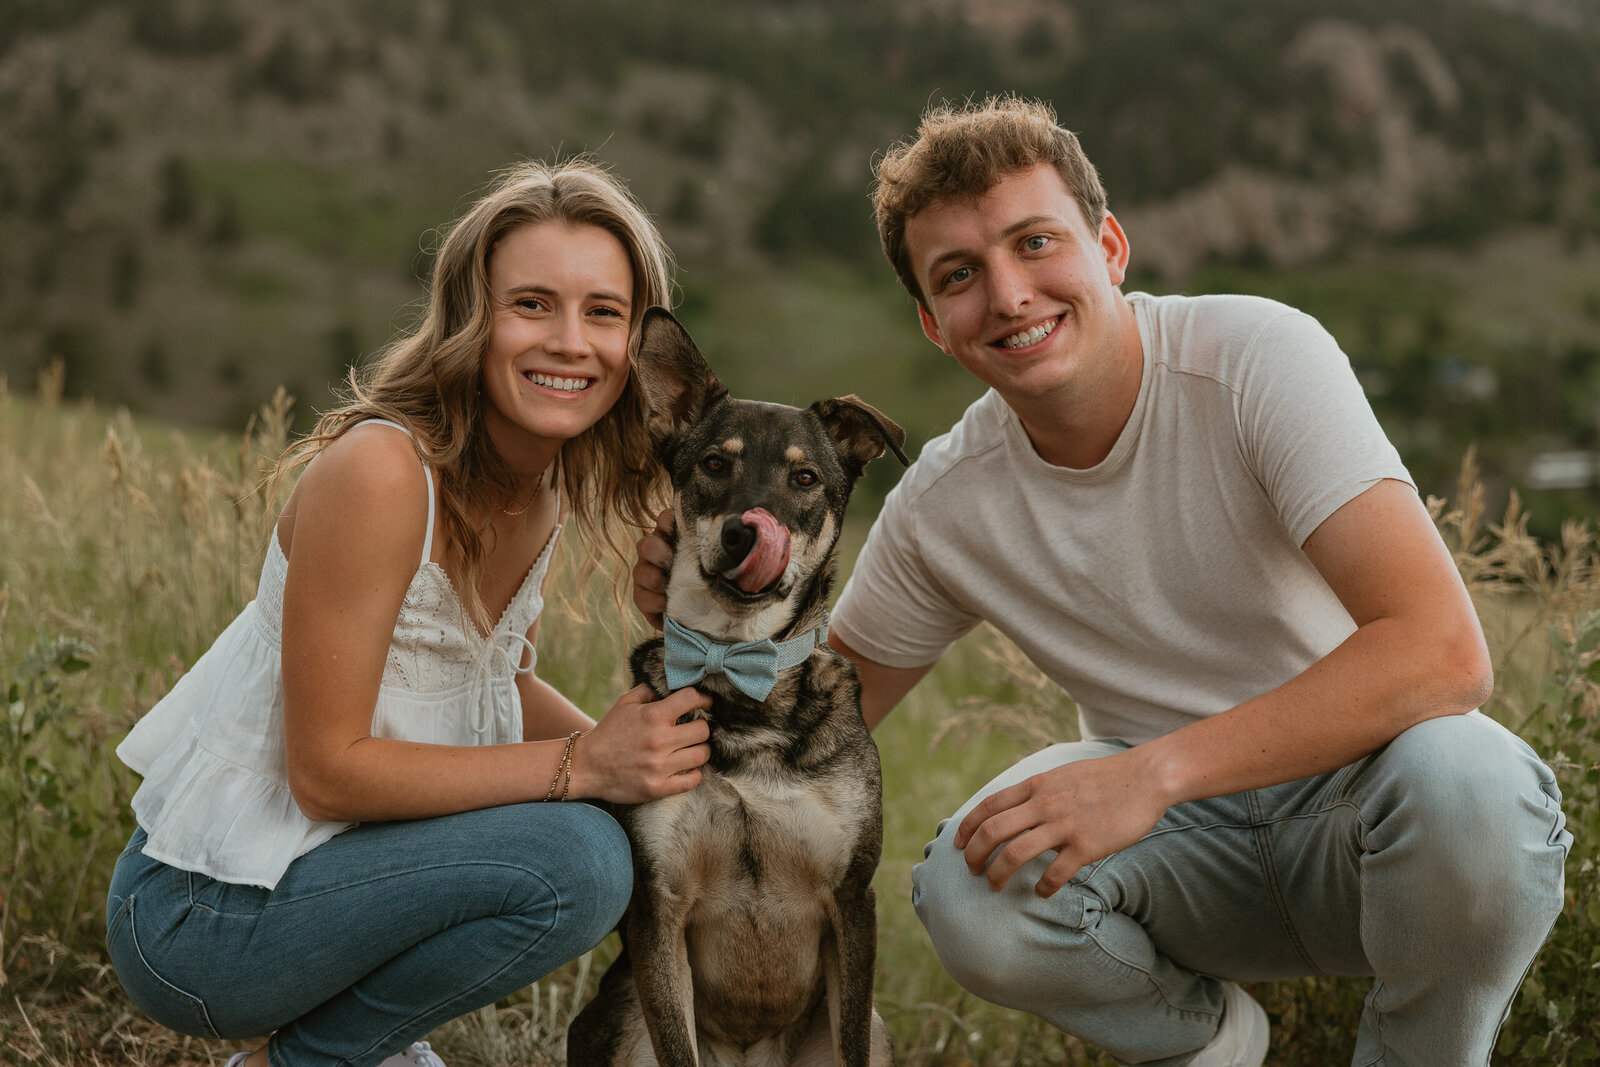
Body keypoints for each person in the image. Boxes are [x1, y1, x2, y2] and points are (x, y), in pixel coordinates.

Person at [633, 96, 1571, 1066]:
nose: (1007, 294)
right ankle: (1208, 1040)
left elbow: (1443, 652)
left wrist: (1152, 770)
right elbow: (809, 695)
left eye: (1035, 242)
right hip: (1181, 860)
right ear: (931, 323)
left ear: (1110, 245)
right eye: (960, 275)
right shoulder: (948, 500)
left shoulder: (1256, 358)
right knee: (967, 881)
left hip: (1367, 815)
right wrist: (696, 603)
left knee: (1471, 784)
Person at [107, 158, 713, 1067]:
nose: (570, 342)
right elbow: (327, 773)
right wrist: (585, 765)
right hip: (204, 912)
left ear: (638, 343)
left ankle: (354, 1048)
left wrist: (657, 770)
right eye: (532, 304)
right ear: (475, 318)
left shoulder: (534, 491)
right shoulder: (384, 471)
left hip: (323, 886)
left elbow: (494, 680)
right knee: (581, 863)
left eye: (604, 312)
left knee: (621, 833)